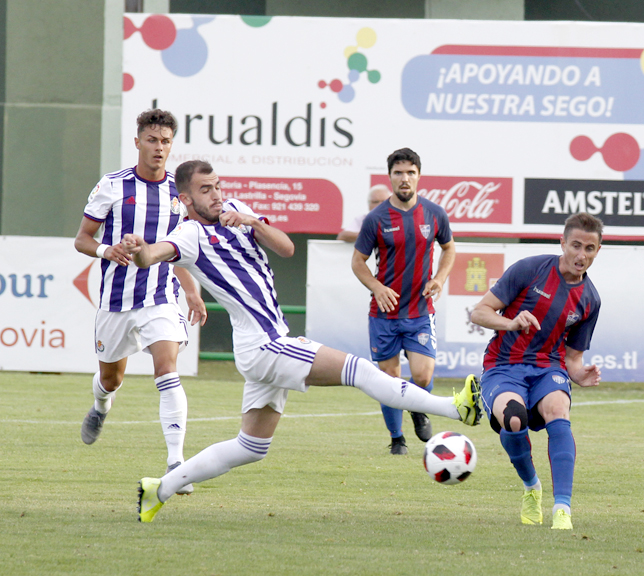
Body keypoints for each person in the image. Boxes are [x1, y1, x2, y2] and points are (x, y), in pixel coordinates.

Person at [126, 160, 481, 522]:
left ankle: (160, 489)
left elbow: (286, 248)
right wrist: (139, 248)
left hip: (264, 344)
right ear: (185, 198)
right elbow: (151, 255)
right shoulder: (189, 235)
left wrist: (251, 222)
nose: (216, 195)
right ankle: (456, 408)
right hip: (265, 345)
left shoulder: (236, 211)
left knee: (251, 447)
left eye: (217, 186)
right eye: (205, 190)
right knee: (360, 370)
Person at [73, 108, 207, 496]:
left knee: (167, 371)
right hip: (115, 303)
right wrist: (106, 251)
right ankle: (100, 406)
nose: (159, 148)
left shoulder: (178, 195)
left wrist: (192, 291)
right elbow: (82, 238)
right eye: (152, 140)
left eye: (165, 141)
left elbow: (177, 251)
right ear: (137, 142)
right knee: (111, 379)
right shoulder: (113, 185)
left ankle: (177, 465)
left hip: (160, 299)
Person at [469, 212, 604, 531]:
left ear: (598, 251)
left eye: (590, 248)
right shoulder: (530, 270)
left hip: (548, 368)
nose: (581, 255)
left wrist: (580, 375)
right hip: (504, 366)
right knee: (514, 419)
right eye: (575, 246)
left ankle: (562, 508)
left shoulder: (590, 300)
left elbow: (572, 358)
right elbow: (479, 312)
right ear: (562, 243)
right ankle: (532, 487)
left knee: (559, 411)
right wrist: (510, 323)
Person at [351, 148, 456, 455]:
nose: (405, 178)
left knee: (423, 375)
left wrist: (439, 279)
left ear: (419, 176)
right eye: (398, 173)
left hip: (420, 310)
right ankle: (397, 438)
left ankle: (418, 408)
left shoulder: (435, 213)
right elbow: (358, 261)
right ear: (391, 177)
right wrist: (376, 286)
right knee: (389, 379)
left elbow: (449, 249)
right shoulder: (376, 218)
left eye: (410, 172)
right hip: (384, 313)